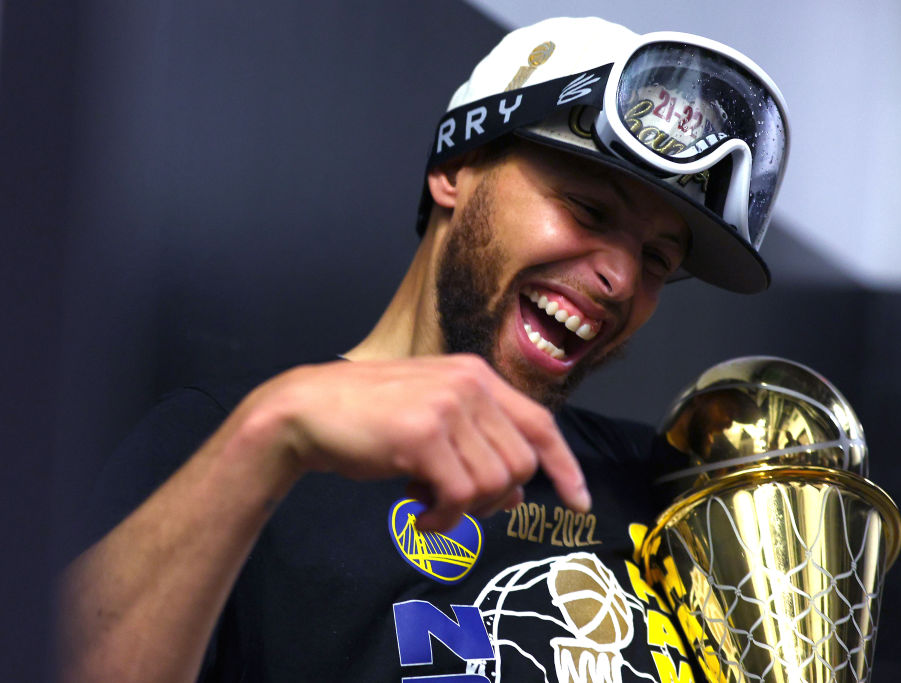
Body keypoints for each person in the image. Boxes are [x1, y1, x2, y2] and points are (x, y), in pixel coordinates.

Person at [58, 16, 789, 683]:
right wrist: (266, 440)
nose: (622, 278)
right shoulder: (229, 442)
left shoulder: (667, 487)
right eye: (588, 209)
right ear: (456, 168)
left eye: (658, 259)